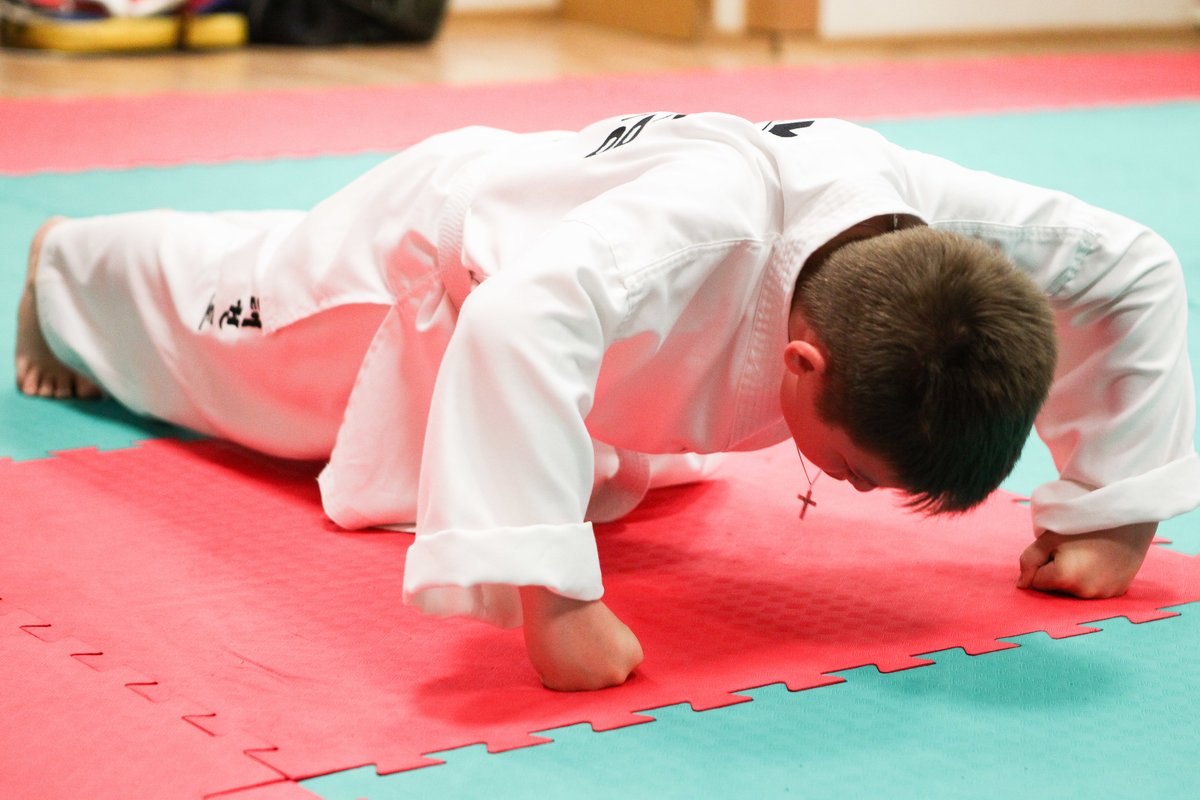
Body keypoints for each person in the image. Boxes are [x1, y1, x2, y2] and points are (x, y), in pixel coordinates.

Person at [14, 112, 1200, 691]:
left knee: (586, 438)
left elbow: (1138, 266)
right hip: (433, 255)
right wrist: (556, 600)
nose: (845, 490)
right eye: (852, 469)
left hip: (580, 279)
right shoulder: (692, 237)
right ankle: (60, 264)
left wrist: (1117, 509)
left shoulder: (939, 225)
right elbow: (513, 321)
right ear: (803, 367)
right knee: (223, 331)